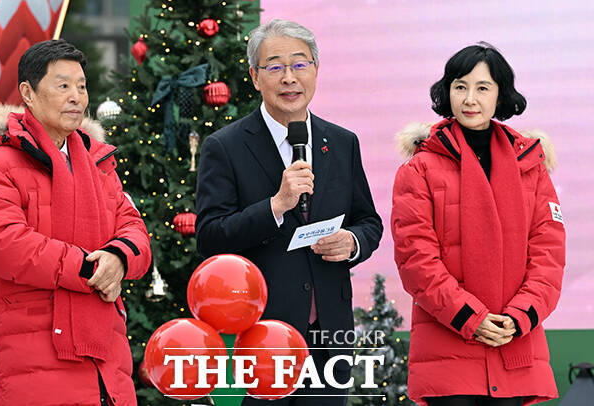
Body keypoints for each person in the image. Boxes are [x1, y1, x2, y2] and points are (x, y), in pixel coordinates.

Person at [196, 19, 383, 405]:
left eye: (299, 64)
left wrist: (352, 242)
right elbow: (210, 236)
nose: (289, 78)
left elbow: (369, 222)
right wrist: (275, 206)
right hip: (259, 337)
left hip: (328, 338)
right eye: (275, 66)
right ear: (254, 76)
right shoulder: (225, 147)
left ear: (316, 70)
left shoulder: (343, 142)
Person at [0, 39, 151, 405]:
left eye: (81, 86)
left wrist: (119, 259)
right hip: (33, 359)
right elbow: (4, 243)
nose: (77, 96)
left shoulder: (98, 163)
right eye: (63, 86)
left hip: (107, 366)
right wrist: (91, 269)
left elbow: (134, 229)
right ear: (28, 93)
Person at [391, 43, 565, 406]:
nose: (470, 98)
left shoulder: (531, 166)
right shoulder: (419, 169)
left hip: (513, 341)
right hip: (448, 346)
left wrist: (517, 318)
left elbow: (549, 256)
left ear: (501, 94)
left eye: (482, 88)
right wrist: (471, 318)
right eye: (460, 86)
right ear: (447, 91)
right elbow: (416, 260)